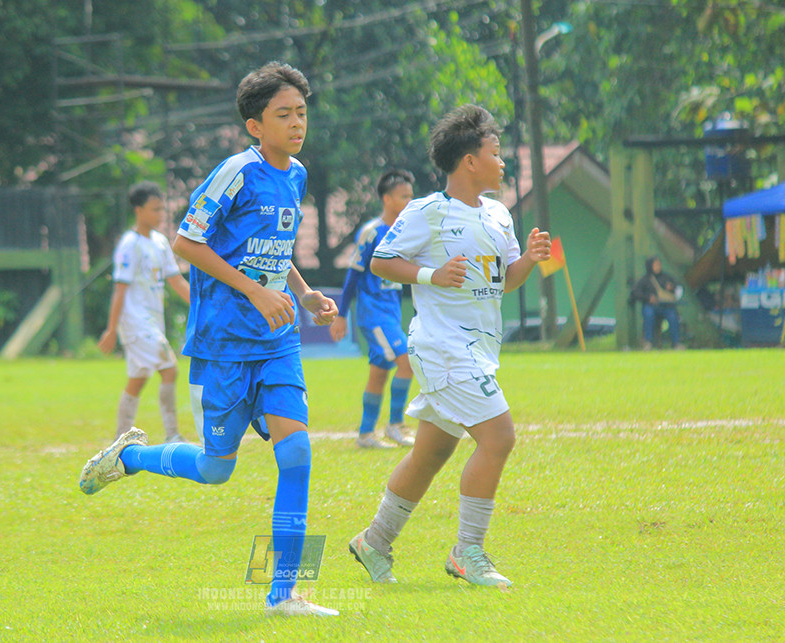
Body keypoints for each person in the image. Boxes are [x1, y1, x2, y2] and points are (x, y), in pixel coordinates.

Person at [79, 61, 340, 617]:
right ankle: (134, 457)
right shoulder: (234, 173)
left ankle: (282, 594)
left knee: (296, 454)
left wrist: (304, 293)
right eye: (283, 115)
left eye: (302, 113)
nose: (297, 123)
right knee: (216, 469)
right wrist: (254, 292)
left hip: (277, 341)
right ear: (254, 125)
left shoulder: (296, 175)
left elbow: (278, 248)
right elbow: (186, 243)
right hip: (222, 344)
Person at [347, 104, 551, 588]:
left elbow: (503, 283)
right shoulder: (428, 212)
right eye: (496, 154)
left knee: (431, 454)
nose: (503, 163)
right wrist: (429, 274)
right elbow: (381, 261)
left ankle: (373, 541)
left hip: (478, 350)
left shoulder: (500, 215)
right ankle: (468, 552)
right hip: (441, 347)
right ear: (468, 161)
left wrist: (531, 260)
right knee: (499, 437)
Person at [98, 181, 191, 443]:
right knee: (170, 369)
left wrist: (201, 307)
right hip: (136, 322)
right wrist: (111, 328)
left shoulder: (161, 242)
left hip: (152, 322)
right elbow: (120, 289)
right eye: (154, 209)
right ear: (138, 210)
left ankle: (119, 439)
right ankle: (173, 434)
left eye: (162, 209)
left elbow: (177, 282)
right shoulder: (130, 244)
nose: (160, 215)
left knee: (138, 378)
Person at [330, 170, 416, 449]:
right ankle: (395, 425)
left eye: (411, 196)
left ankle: (366, 434)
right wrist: (342, 316)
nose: (408, 201)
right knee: (407, 361)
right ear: (387, 198)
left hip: (390, 312)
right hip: (373, 313)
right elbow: (353, 276)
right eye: (404, 196)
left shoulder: (404, 232)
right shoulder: (372, 233)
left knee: (379, 373)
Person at [629, 256, 683, 350]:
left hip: (666, 306)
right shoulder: (645, 279)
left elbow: (678, 287)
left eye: (659, 264)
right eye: (655, 265)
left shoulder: (666, 277)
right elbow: (635, 292)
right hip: (651, 306)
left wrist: (672, 287)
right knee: (648, 314)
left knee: (673, 316)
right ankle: (648, 342)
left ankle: (676, 343)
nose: (658, 267)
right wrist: (648, 298)